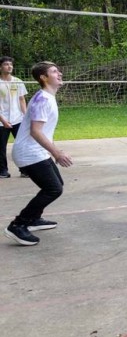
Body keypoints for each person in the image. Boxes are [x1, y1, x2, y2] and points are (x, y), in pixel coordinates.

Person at [4, 62, 73, 246]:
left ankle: (34, 219)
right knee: (53, 189)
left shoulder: (47, 97)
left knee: (56, 185)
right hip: (29, 153)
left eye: (58, 70)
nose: (59, 73)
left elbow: (43, 132)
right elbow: (35, 131)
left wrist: (52, 151)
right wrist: (57, 153)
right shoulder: (42, 99)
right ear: (43, 77)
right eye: (54, 71)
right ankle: (18, 225)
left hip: (37, 151)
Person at [0, 56, 28, 179]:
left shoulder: (17, 81)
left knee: (22, 145)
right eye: (6, 64)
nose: (9, 66)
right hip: (2, 121)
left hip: (18, 119)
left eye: (11, 64)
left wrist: (25, 116)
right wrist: (3, 120)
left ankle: (25, 170)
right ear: (1, 67)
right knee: (1, 148)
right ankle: (3, 171)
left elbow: (22, 99)